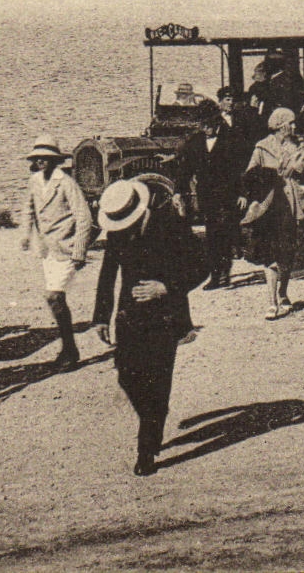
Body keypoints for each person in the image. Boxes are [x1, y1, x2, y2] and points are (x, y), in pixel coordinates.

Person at [92, 180, 208, 476]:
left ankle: (146, 450)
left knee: (157, 380)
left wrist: (166, 287)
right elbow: (108, 273)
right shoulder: (118, 230)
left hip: (165, 317)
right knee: (126, 375)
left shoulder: (171, 226)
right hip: (129, 317)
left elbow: (204, 265)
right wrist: (101, 317)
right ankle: (153, 418)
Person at [19, 135, 95, 369]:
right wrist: (25, 234)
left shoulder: (66, 183)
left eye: (46, 158)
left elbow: (84, 216)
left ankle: (69, 349)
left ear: (55, 161)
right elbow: (28, 208)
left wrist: (80, 251)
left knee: (54, 296)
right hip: (47, 250)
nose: (41, 162)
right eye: (38, 158)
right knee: (56, 299)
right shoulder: (34, 181)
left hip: (67, 247)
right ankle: (69, 348)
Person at [242, 107, 304, 319]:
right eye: (291, 123)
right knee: (270, 253)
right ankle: (271, 301)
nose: (294, 126)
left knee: (287, 252)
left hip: (291, 204)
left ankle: (283, 292)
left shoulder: (298, 145)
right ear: (281, 126)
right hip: (270, 205)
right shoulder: (262, 147)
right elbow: (251, 174)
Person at [174, 101, 249, 290]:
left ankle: (223, 274)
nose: (206, 128)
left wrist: (243, 193)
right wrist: (178, 191)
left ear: (216, 121)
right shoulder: (196, 142)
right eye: (202, 125)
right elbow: (185, 170)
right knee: (212, 234)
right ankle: (216, 275)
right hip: (207, 197)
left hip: (228, 195)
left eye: (208, 124)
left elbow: (242, 169)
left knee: (222, 232)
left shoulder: (233, 138)